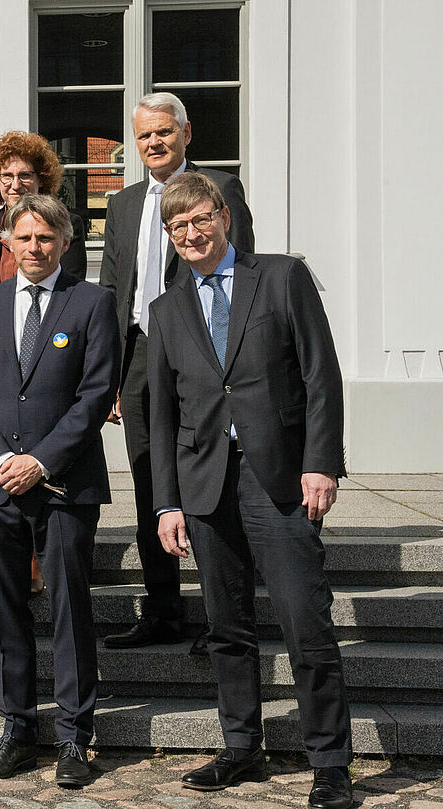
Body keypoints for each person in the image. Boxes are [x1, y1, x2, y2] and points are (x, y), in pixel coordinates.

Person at [148, 171, 352, 809]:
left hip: (281, 480)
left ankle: (330, 765)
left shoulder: (282, 277)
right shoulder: (165, 309)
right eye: (177, 227)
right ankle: (242, 747)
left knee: (304, 626)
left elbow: (322, 376)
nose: (190, 233)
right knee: (226, 628)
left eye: (199, 219)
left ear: (223, 217)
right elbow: (162, 415)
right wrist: (166, 501)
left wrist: (321, 463)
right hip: (206, 484)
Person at [0, 194, 119, 787]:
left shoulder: (94, 302)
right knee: (6, 611)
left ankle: (76, 737)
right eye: (24, 238)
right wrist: (1, 460)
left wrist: (40, 462)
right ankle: (16, 728)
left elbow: (95, 395)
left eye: (46, 238)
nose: (35, 247)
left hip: (65, 484)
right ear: (7, 243)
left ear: (66, 243)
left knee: (71, 608)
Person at [98, 92, 255, 656]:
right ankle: (162, 611)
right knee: (150, 482)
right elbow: (116, 291)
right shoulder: (121, 204)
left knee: (214, 480)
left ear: (187, 134)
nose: (154, 143)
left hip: (202, 354)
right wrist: (111, 373)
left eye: (164, 132)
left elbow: (242, 280)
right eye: (143, 136)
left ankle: (226, 618)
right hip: (140, 354)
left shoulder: (220, 191)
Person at [0, 130, 89, 596]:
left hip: (47, 361)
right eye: (6, 176)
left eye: (24, 175)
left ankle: (39, 561)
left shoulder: (61, 229)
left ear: (41, 179)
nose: (14, 184)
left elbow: (72, 293)